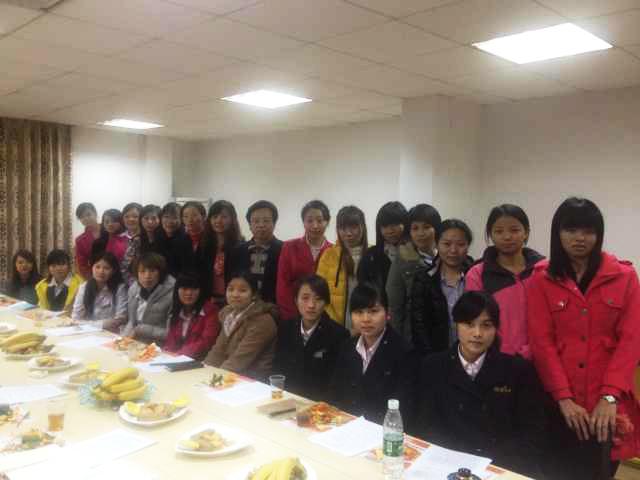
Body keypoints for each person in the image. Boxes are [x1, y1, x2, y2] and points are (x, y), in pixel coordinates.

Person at [527, 198, 640, 479]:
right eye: (571, 230)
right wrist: (563, 398)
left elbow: (631, 340)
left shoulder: (625, 277)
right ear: (557, 233)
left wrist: (610, 396)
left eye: (588, 231)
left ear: (599, 234)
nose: (580, 238)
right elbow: (542, 343)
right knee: (555, 471)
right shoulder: (541, 279)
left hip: (607, 402)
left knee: (599, 471)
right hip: (557, 400)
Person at [416, 291, 546, 478]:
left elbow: (532, 432)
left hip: (499, 466)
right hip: (447, 464)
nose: (477, 334)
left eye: (486, 325)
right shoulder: (433, 366)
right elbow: (424, 425)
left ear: (496, 328)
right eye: (469, 324)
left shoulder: (517, 371)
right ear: (456, 324)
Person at [328, 283, 415, 424]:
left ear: (388, 313)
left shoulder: (404, 352)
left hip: (381, 430)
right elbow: (334, 394)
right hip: (344, 425)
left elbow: (404, 409)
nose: (366, 319)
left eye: (373, 311)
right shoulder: (347, 347)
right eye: (359, 312)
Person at [466, 204, 544, 359]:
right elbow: (477, 322)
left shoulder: (542, 270)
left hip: (542, 357)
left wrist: (532, 349)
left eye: (514, 230)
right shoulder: (477, 274)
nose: (507, 237)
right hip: (497, 359)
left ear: (526, 233)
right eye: (499, 231)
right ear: (490, 235)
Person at [272, 275, 349, 401]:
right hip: (286, 398)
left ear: (326, 303)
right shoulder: (286, 328)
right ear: (296, 300)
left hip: (318, 404)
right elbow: (277, 368)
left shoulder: (338, 335)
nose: (311, 305)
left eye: (318, 299)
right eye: (305, 298)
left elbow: (337, 382)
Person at [411, 219, 474, 356]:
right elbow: (419, 325)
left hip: (473, 353)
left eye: (460, 244)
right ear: (437, 244)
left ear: (468, 246)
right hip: (438, 355)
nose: (453, 250)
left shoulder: (477, 276)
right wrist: (431, 359)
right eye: (446, 244)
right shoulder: (424, 279)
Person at [204, 271, 278, 380]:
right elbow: (218, 351)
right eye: (230, 289)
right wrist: (203, 370)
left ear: (254, 295)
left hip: (254, 380)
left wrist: (214, 379)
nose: (235, 294)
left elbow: (239, 359)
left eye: (242, 290)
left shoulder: (262, 320)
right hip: (230, 375)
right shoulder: (228, 315)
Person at [386, 203, 441, 349]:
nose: (421, 233)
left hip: (443, 334)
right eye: (415, 228)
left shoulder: (447, 257)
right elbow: (395, 306)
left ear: (436, 228)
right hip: (413, 337)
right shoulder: (403, 259)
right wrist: (397, 343)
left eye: (426, 227)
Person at [277, 200, 332, 321]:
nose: (315, 225)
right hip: (293, 314)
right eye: (309, 221)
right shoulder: (289, 247)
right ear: (303, 222)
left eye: (320, 220)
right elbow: (283, 285)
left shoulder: (333, 251)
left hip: (324, 316)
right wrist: (294, 316)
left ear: (327, 222)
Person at [316, 206, 368, 329]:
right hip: (336, 326)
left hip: (368, 322)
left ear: (363, 227)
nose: (348, 233)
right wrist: (334, 323)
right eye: (343, 228)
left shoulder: (373, 253)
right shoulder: (329, 255)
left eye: (353, 227)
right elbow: (319, 291)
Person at [227, 200, 283, 304]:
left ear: (274, 223)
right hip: (243, 306)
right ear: (250, 225)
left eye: (266, 221)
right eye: (256, 221)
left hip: (272, 307)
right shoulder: (237, 251)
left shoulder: (284, 250)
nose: (261, 225)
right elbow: (231, 282)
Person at [164, 274, 220, 361]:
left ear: (201, 291)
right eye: (184, 288)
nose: (189, 293)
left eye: (194, 289)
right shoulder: (176, 310)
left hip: (200, 360)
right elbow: (170, 342)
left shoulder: (211, 311)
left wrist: (179, 355)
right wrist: (167, 355)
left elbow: (206, 342)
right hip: (176, 359)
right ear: (177, 291)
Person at [123, 252, 175, 345]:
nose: (147, 276)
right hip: (134, 342)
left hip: (158, 346)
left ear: (160, 273)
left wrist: (140, 329)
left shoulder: (172, 294)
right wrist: (123, 338)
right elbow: (132, 321)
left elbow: (170, 333)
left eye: (152, 271)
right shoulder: (133, 289)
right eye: (142, 271)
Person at [198, 200, 243, 305]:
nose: (218, 220)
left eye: (224, 217)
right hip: (207, 299)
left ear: (232, 219)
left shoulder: (240, 246)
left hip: (231, 300)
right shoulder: (204, 244)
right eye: (215, 217)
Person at [358, 201, 408, 291]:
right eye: (385, 226)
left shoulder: (416, 253)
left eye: (394, 224)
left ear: (406, 224)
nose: (390, 231)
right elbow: (364, 290)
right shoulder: (370, 256)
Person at [71, 252, 127, 331]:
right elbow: (76, 318)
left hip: (112, 333)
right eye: (97, 267)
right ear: (92, 267)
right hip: (88, 331)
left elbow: (120, 319)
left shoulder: (119, 288)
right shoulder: (84, 287)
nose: (101, 271)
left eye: (106, 268)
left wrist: (86, 323)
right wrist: (102, 324)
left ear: (113, 271)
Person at [159, 202, 194, 277]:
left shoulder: (186, 240)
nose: (170, 221)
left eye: (175, 217)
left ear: (181, 220)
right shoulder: (159, 236)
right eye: (166, 217)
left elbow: (187, 270)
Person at [74, 202, 101, 279]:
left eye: (88, 214)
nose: (86, 218)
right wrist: (92, 279)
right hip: (96, 275)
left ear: (95, 213)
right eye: (82, 217)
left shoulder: (109, 229)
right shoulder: (80, 240)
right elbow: (82, 265)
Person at [120, 202, 143, 286]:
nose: (131, 219)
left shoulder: (147, 238)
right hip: (121, 282)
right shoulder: (118, 238)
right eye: (127, 216)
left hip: (143, 282)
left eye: (135, 216)